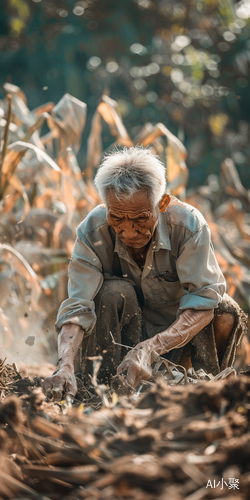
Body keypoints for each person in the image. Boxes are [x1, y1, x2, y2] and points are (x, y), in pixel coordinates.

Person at [43, 146, 247, 400]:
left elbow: (204, 300)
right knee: (114, 291)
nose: (128, 232)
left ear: (161, 204)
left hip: (175, 341)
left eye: (140, 219)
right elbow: (77, 307)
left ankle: (201, 391)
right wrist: (64, 367)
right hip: (115, 345)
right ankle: (100, 388)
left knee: (224, 310)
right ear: (106, 206)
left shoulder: (188, 226)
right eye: (116, 218)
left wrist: (149, 349)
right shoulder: (92, 231)